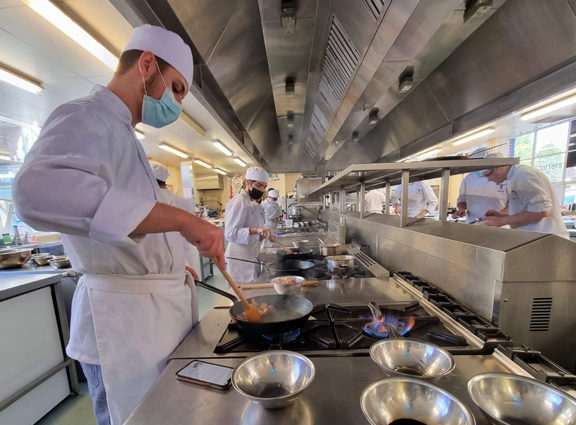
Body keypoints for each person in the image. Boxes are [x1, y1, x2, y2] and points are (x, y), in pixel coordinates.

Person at [12, 25, 225, 425]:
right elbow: (34, 192)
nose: (177, 103)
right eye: (177, 88)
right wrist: (182, 220)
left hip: (148, 322)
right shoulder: (84, 116)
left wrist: (170, 264)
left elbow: (126, 224)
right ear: (147, 65)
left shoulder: (125, 136)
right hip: (120, 329)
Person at [482, 163, 569, 238]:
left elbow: (542, 211)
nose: (488, 179)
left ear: (498, 167)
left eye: (488, 175)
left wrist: (502, 221)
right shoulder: (515, 175)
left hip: (547, 238)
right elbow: (531, 209)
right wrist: (502, 216)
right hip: (538, 238)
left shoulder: (522, 175)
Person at [225, 167, 276, 283]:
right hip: (240, 259)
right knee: (242, 296)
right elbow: (230, 234)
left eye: (264, 187)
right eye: (258, 186)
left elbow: (251, 231)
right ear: (248, 182)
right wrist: (257, 230)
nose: (262, 190)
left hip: (251, 255)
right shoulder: (239, 202)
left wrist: (262, 235)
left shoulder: (253, 203)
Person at [453, 152, 509, 223]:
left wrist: (498, 216)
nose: (488, 178)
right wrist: (461, 209)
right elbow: (462, 200)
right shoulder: (468, 178)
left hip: (499, 224)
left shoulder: (508, 180)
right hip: (473, 222)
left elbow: (513, 206)